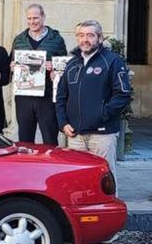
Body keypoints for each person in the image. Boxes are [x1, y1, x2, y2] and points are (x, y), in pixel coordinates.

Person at [56, 20, 132, 173]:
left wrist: (101, 115)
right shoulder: (72, 64)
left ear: (100, 38)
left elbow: (122, 94)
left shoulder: (112, 61)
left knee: (104, 177)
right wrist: (63, 123)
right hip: (76, 135)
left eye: (90, 35)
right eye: (81, 35)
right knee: (78, 179)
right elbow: (61, 97)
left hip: (102, 135)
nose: (85, 39)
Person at [10, 4, 67, 144]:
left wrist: (54, 67)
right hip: (24, 96)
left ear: (43, 17)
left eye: (35, 18)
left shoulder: (57, 40)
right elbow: (11, 63)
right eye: (29, 18)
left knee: (50, 137)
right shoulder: (19, 39)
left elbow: (64, 68)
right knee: (25, 138)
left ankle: (50, 159)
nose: (32, 21)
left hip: (47, 96)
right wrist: (12, 66)